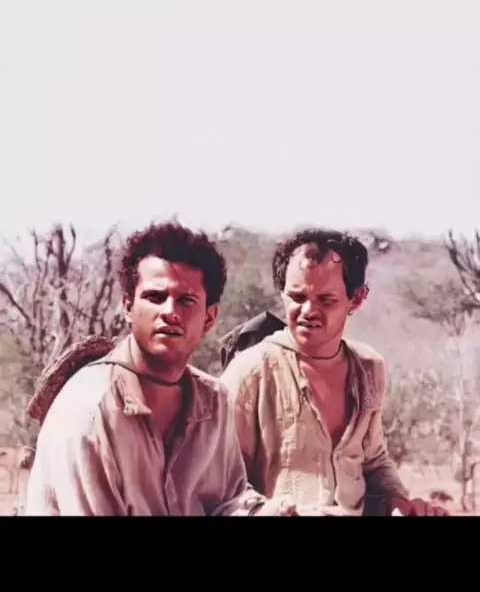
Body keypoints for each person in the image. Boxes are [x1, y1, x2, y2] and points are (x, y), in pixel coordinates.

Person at [24, 222, 297, 516]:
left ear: (209, 318)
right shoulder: (91, 408)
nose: (169, 312)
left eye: (186, 300)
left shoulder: (213, 400)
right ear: (128, 306)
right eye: (155, 297)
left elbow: (226, 501)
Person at [221, 228, 448, 517]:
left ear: (357, 298)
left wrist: (399, 504)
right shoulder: (249, 372)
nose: (308, 311)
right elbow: (220, 480)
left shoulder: (368, 368)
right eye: (297, 297)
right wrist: (266, 511)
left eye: (326, 300)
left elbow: (374, 462)